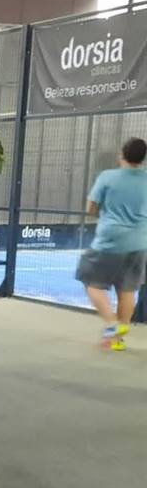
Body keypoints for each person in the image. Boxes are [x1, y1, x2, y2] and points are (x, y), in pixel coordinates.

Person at [75, 137, 147, 351]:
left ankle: (112, 324)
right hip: (140, 242)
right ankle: (117, 339)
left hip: (110, 240)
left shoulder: (108, 177)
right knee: (127, 289)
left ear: (121, 154)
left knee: (90, 282)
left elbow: (91, 208)